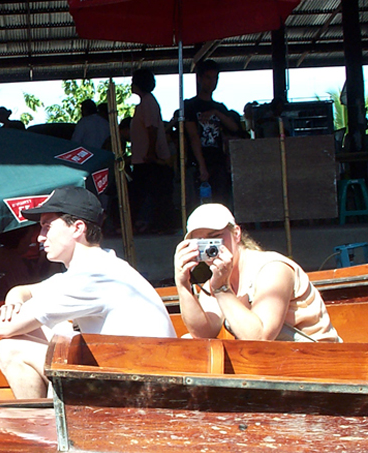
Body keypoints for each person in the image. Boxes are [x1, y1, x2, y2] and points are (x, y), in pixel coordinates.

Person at [0, 186, 176, 399]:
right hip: (140, 380)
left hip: (139, 392)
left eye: (47, 226)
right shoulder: (102, 264)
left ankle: (38, 428)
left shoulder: (90, 277)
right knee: (55, 333)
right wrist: (13, 301)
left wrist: (13, 312)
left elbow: (3, 328)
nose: (40, 238)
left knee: (10, 348)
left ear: (77, 228)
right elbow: (22, 291)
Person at [173, 203, 341, 342]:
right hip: (271, 366)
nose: (209, 247)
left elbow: (260, 339)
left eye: (215, 238)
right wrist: (183, 285)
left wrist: (222, 290)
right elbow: (203, 335)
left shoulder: (273, 269)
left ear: (236, 234)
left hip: (318, 363)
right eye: (200, 242)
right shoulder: (216, 281)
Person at [184, 59, 239, 209]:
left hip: (218, 161)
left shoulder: (220, 107)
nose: (212, 82)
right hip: (198, 163)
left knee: (221, 204)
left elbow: (234, 127)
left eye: (215, 78)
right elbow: (193, 136)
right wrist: (201, 165)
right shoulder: (190, 105)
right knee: (199, 205)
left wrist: (216, 113)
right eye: (208, 78)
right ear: (200, 79)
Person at [129, 68, 173, 234]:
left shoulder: (148, 102)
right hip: (143, 158)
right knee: (148, 193)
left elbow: (151, 129)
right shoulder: (145, 103)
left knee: (148, 193)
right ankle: (154, 224)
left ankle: (159, 225)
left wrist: (151, 153)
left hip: (148, 159)